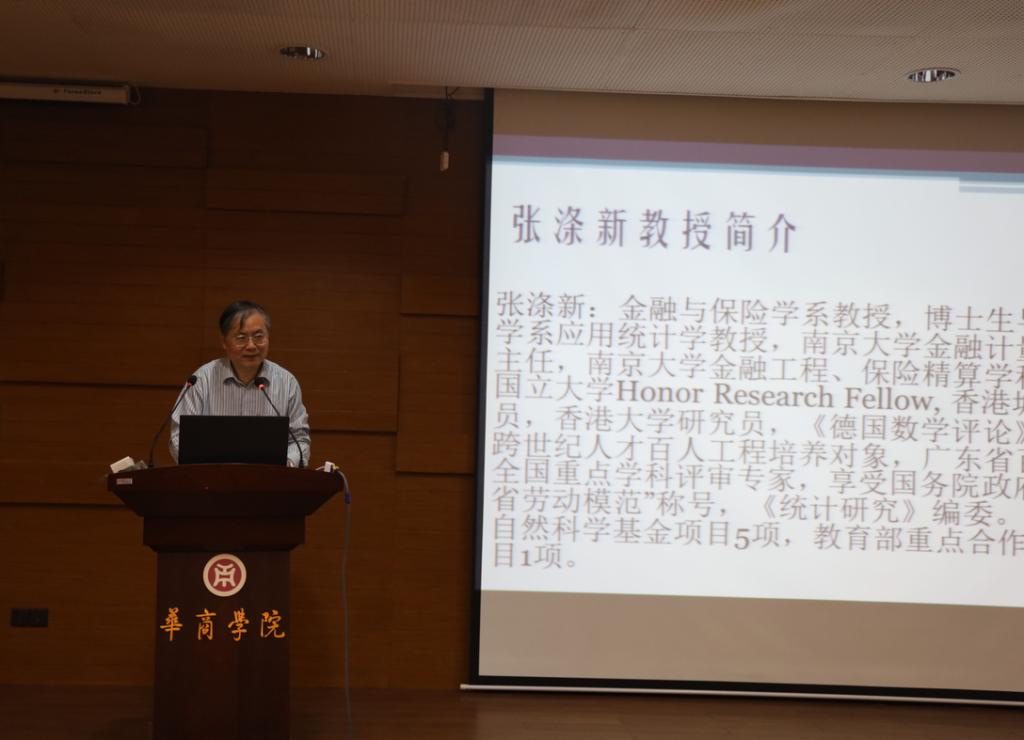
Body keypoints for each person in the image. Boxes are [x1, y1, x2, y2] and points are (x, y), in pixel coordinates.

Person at [169, 300, 310, 467]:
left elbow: (300, 439)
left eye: (259, 336)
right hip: (211, 478)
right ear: (224, 341)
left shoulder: (287, 383)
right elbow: (179, 436)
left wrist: (287, 466)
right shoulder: (201, 380)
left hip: (270, 480)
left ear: (268, 337)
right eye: (241, 338)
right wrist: (205, 469)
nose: (251, 346)